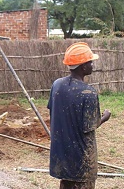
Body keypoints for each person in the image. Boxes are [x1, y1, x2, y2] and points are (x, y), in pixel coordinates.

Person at [47, 42, 111, 189]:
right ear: (83, 67)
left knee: (66, 185)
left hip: (62, 154)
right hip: (81, 158)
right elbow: (90, 126)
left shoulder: (57, 85)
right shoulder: (88, 93)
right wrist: (105, 117)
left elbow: (53, 111)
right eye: (90, 62)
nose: (92, 65)